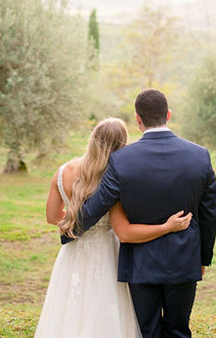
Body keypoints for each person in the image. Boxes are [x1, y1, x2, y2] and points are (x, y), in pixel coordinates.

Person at [73, 89, 216, 338]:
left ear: (138, 119)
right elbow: (209, 214)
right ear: (168, 115)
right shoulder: (199, 156)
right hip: (184, 260)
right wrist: (203, 260)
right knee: (178, 330)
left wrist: (70, 229)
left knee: (147, 331)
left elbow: (98, 205)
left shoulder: (121, 160)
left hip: (141, 263)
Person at [33, 117, 193, 338]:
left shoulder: (63, 172)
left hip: (73, 254)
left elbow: (52, 217)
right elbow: (124, 232)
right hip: (108, 255)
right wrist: (167, 226)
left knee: (70, 310)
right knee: (106, 313)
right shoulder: (113, 180)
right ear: (121, 146)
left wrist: (72, 218)